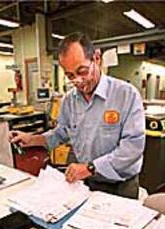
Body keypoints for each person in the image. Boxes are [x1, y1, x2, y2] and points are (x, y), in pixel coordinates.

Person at [11, 32, 145, 199]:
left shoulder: (126, 94)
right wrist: (31, 139)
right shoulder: (69, 100)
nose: (78, 81)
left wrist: (89, 168)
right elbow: (60, 134)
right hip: (87, 183)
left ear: (97, 58)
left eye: (83, 71)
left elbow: (132, 148)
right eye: (70, 76)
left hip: (120, 185)